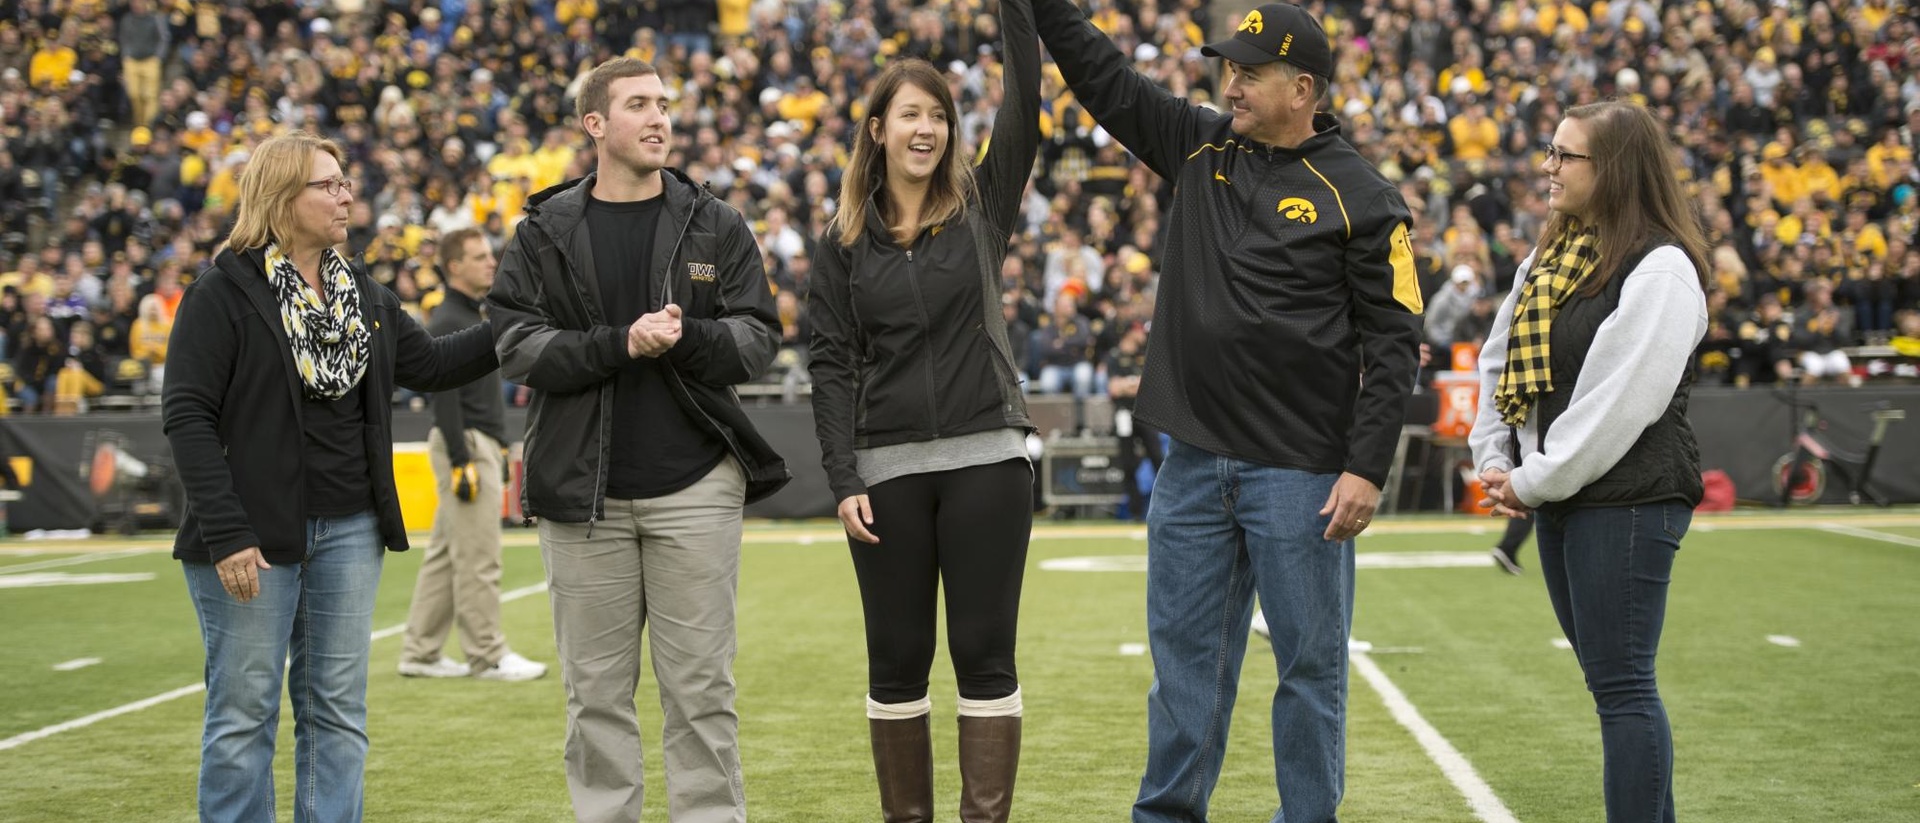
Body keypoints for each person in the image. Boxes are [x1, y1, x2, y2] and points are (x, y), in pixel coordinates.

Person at [1032, 4, 1425, 821]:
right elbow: (1104, 79)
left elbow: (1394, 345)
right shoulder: (1201, 143)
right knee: (1183, 666)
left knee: (1309, 669)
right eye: (1230, 69)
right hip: (1194, 461)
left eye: (1250, 72)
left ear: (1303, 88)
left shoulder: (1363, 196)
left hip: (1301, 472)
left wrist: (1365, 467)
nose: (1231, 85)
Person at [162, 130, 497, 823]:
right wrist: (225, 532)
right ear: (282, 196)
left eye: (346, 182)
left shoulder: (363, 294)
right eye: (329, 184)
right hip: (251, 532)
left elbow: (430, 366)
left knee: (338, 709)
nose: (347, 195)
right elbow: (187, 416)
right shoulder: (222, 293)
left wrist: (517, 324)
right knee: (243, 711)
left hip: (350, 526)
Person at [487, 57, 789, 823]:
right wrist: (621, 343)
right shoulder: (543, 231)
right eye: (639, 105)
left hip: (695, 487)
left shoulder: (715, 222)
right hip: (583, 498)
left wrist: (684, 339)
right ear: (596, 124)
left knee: (702, 694)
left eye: (664, 103)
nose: (661, 117)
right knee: (594, 698)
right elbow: (516, 344)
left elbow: (758, 340)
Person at [805, 0, 1037, 816]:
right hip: (885, 474)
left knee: (983, 653)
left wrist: (1018, 13)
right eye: (910, 114)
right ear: (878, 129)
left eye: (938, 116)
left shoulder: (981, 209)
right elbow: (829, 365)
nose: (926, 129)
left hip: (988, 462)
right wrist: (841, 476)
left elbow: (1025, 114)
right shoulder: (838, 242)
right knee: (897, 659)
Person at [1469, 100, 1710, 823]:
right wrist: (1493, 456)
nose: (1548, 166)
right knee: (1614, 685)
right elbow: (1497, 360)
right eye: (1550, 149)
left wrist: (1533, 478)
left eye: (1564, 154)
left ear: (1613, 169)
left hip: (1629, 498)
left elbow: (1618, 403)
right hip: (1567, 496)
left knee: (1623, 685)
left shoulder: (1662, 267)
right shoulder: (1550, 255)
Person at [396, 227, 548, 683]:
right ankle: (487, 654)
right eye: (479, 256)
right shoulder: (446, 320)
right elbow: (443, 397)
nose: (490, 262)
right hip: (465, 444)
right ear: (453, 266)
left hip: (473, 442)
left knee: (446, 554)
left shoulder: (468, 315)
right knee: (480, 556)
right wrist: (464, 458)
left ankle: (419, 652)